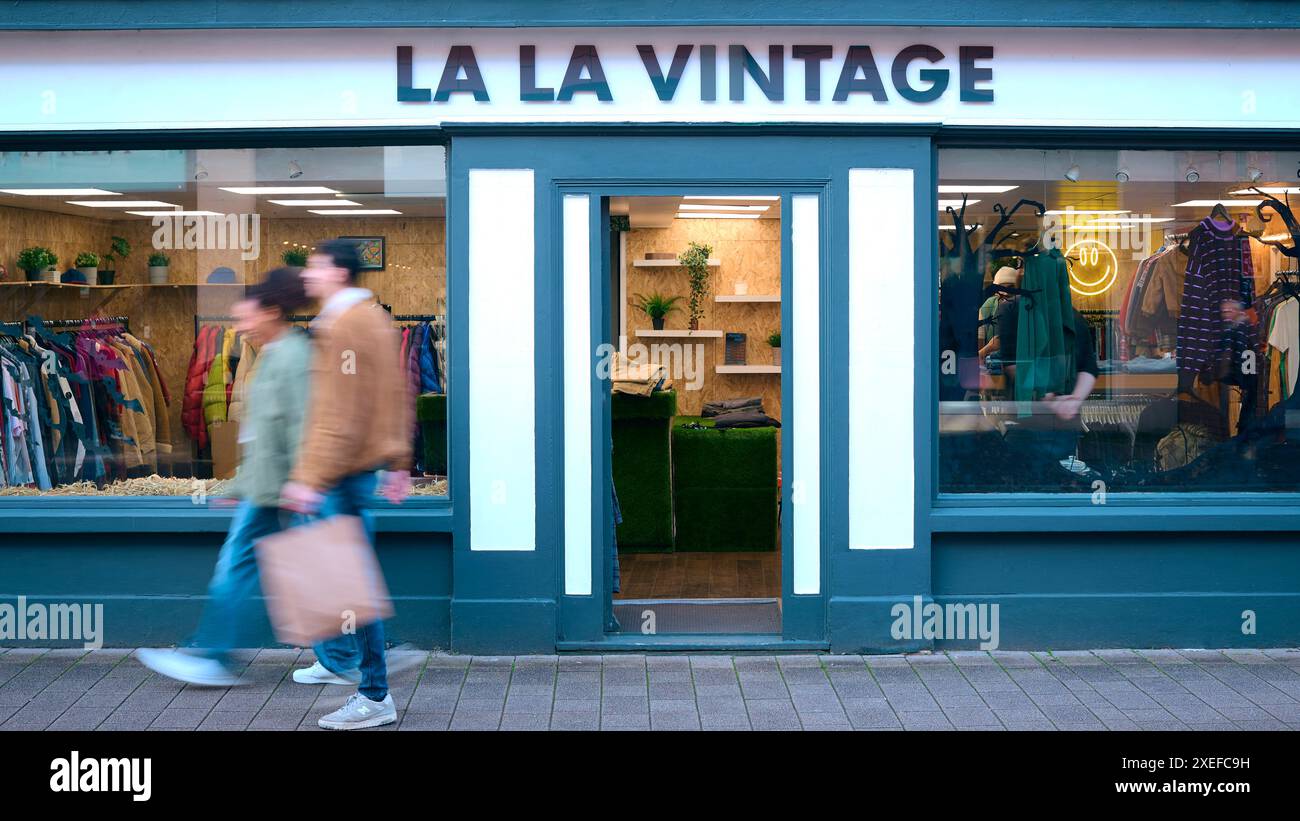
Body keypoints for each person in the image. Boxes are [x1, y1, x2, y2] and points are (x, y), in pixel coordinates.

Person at [138, 267, 312, 685]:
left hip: (279, 490)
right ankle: (357, 657)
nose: (240, 325)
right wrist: (238, 485)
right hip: (267, 488)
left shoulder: (293, 357)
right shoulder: (275, 354)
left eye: (247, 315)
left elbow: (303, 426)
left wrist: (300, 482)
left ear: (271, 311)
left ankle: (211, 654)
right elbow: (262, 434)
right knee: (302, 571)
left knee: (241, 569)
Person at [279, 239, 412, 730]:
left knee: (347, 583)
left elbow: (339, 413)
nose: (308, 275)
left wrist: (310, 478)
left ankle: (373, 691)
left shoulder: (343, 324)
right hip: (357, 471)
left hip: (342, 474)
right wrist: (397, 458)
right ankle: (353, 667)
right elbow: (396, 393)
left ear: (337, 272)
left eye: (314, 267)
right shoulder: (372, 317)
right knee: (346, 579)